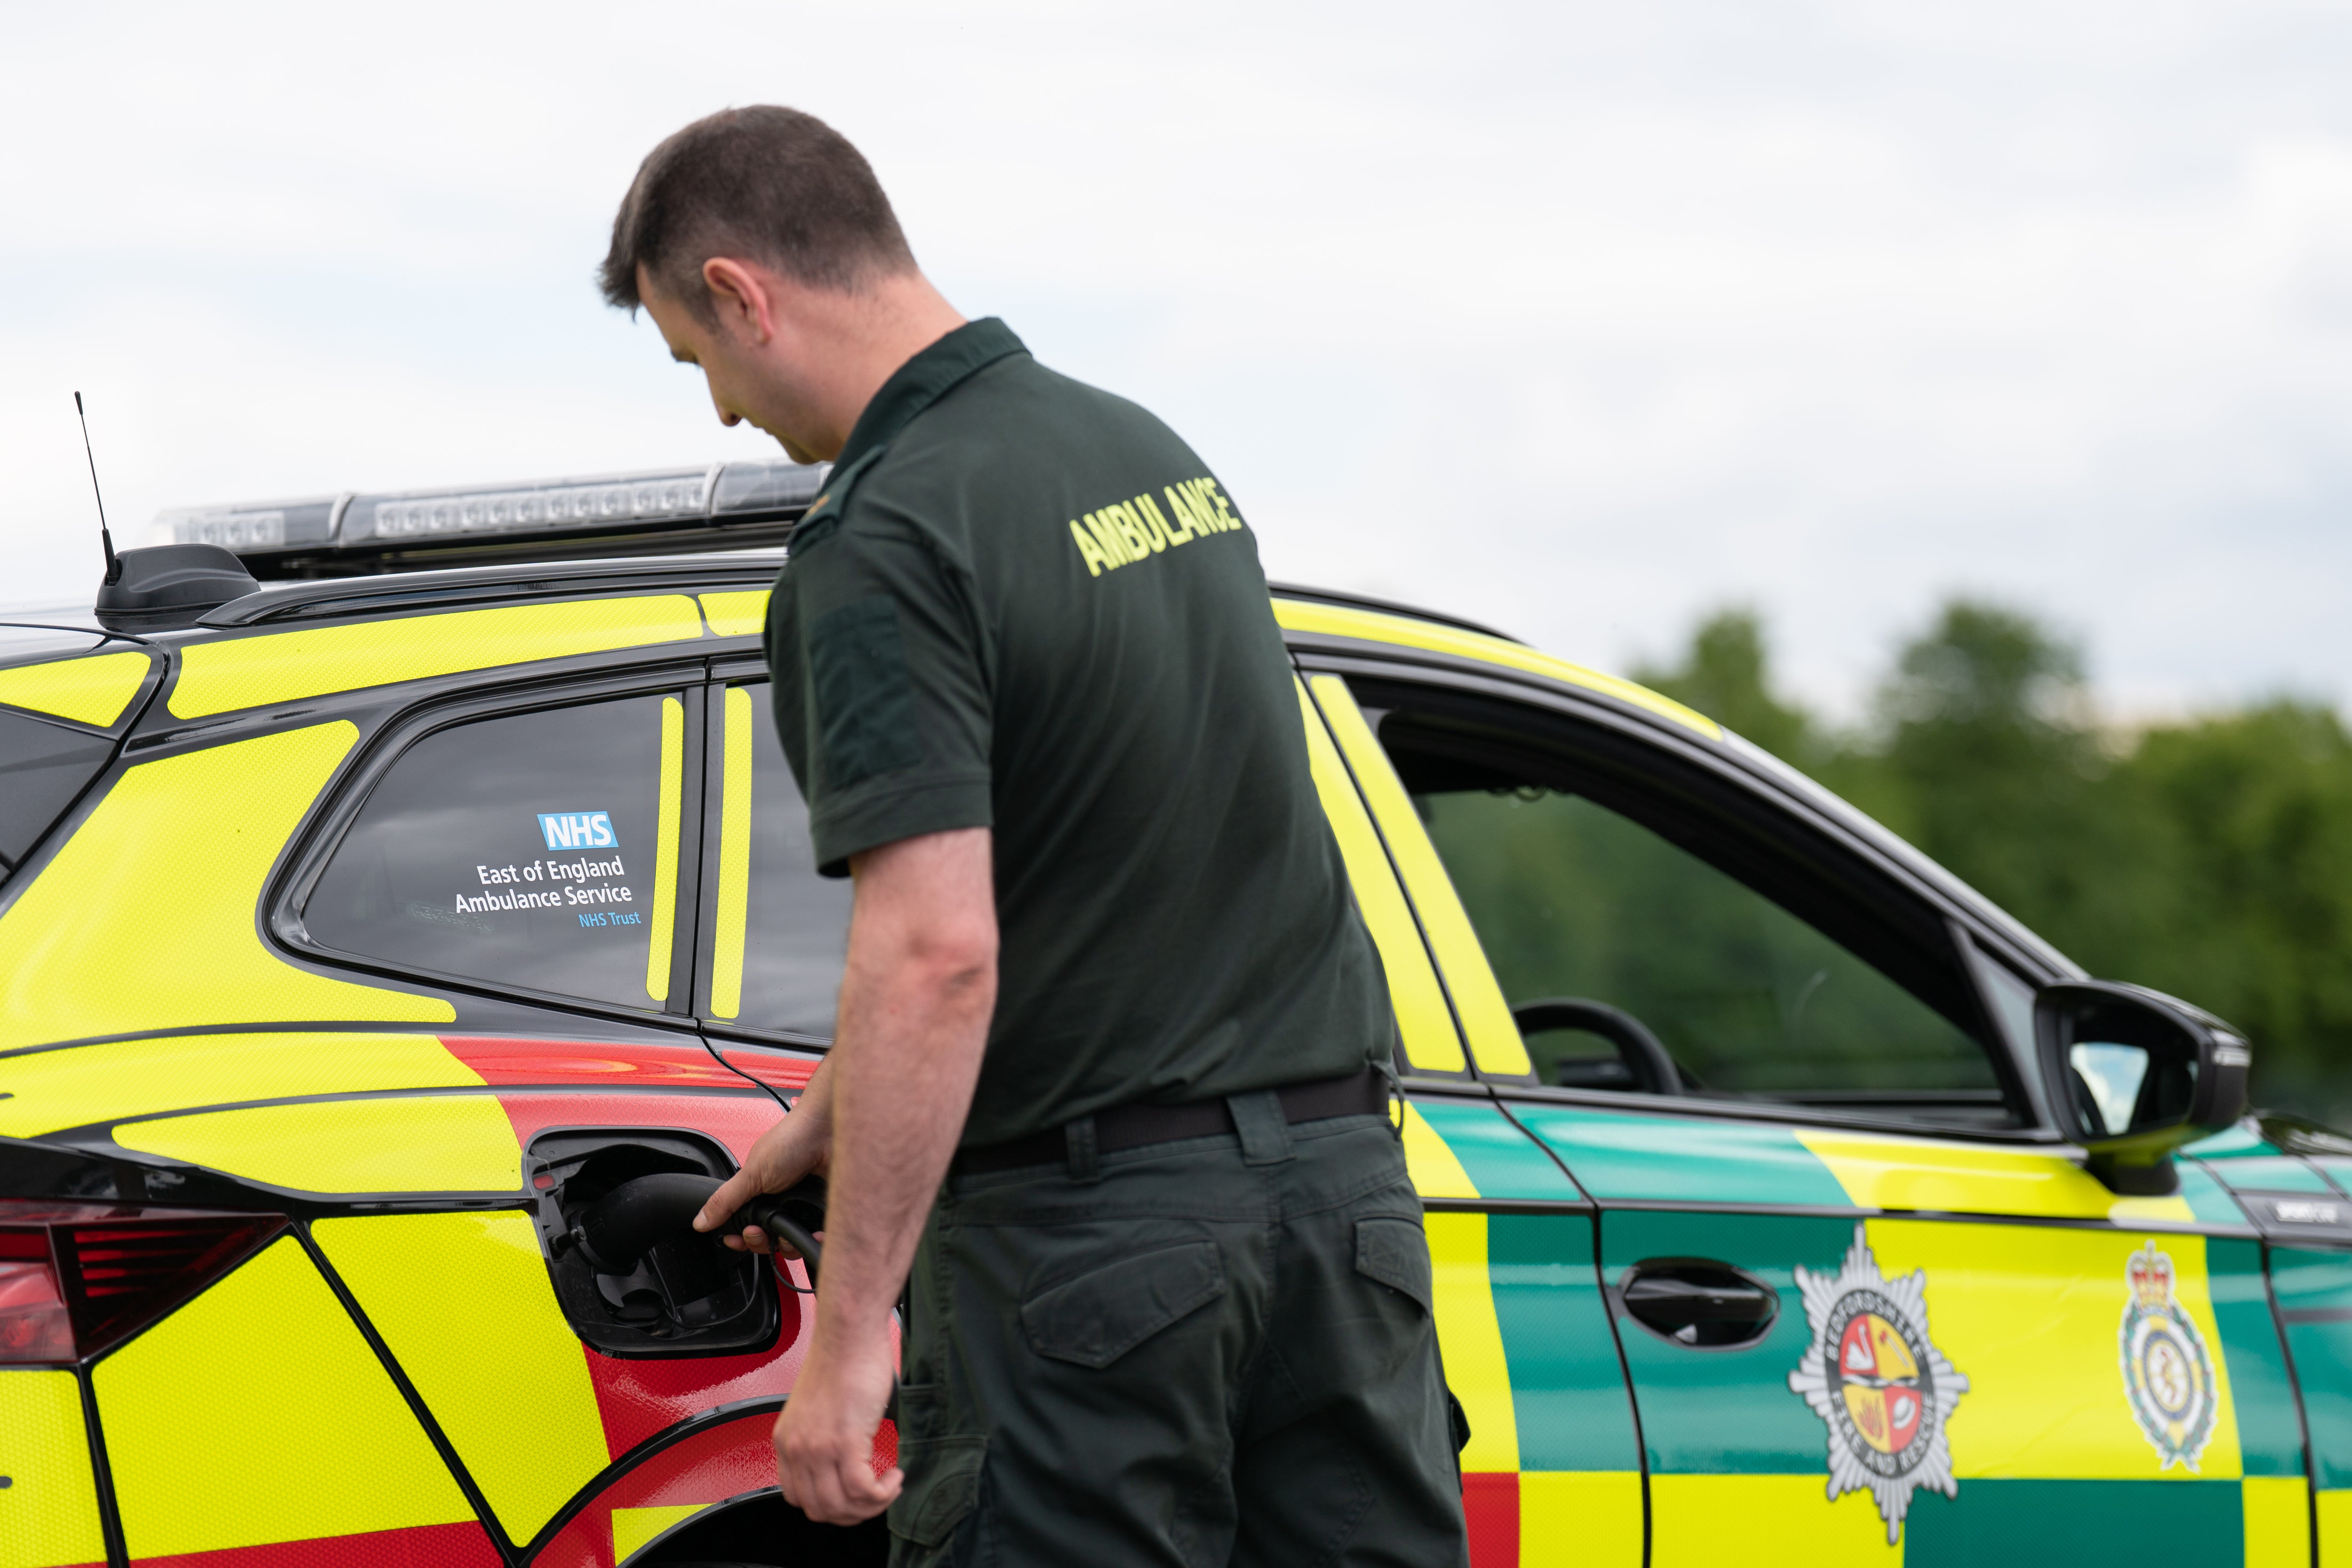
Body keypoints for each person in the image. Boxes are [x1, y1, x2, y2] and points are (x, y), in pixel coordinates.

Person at [600, 105, 1468, 1568]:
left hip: (1098, 1270)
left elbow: (938, 952)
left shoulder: (885, 538)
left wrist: (854, 1334)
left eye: (704, 363)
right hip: (1342, 1222)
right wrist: (831, 1122)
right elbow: (1136, 860)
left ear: (745, 293)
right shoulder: (1147, 457)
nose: (727, 416)